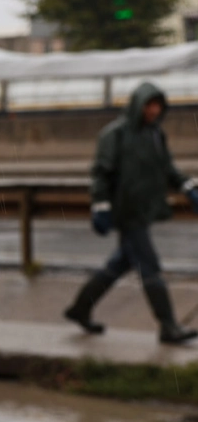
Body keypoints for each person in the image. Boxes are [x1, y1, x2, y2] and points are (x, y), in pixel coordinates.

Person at [65, 81, 198, 345]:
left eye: (158, 105)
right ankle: (168, 326)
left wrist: (188, 186)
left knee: (119, 264)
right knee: (150, 268)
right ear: (138, 105)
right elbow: (101, 173)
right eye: (150, 105)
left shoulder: (155, 135)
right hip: (127, 212)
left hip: (144, 209)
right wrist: (100, 206)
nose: (154, 110)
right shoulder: (114, 134)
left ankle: (79, 308)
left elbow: (167, 168)